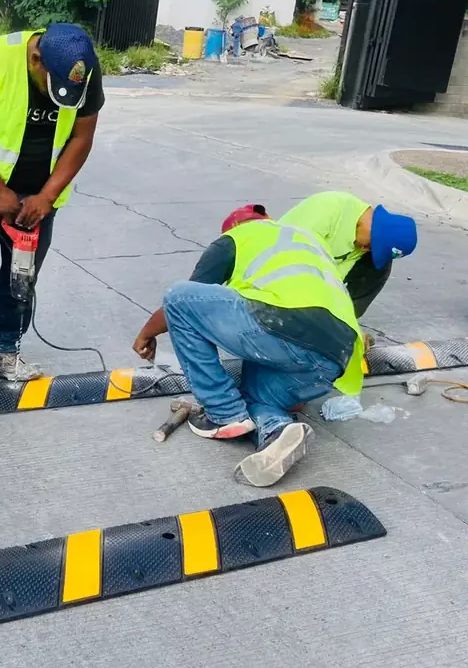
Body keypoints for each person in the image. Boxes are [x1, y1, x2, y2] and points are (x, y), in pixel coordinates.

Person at [133, 206, 365, 487]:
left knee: (178, 298)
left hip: (285, 323)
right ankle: (277, 432)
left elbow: (186, 303)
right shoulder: (309, 242)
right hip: (335, 356)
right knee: (257, 396)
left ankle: (224, 413)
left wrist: (146, 333)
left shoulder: (237, 237)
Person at [0, 24, 104, 400]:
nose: (63, 95)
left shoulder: (83, 70)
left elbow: (82, 138)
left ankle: (1, 353)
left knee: (21, 280)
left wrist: (46, 196)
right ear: (36, 59)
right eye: (54, 83)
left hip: (37, 202)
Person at [279, 191, 418, 318]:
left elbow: (332, 283)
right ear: (374, 227)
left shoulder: (360, 242)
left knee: (380, 266)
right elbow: (294, 263)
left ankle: (344, 323)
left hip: (307, 283)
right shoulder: (329, 209)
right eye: (371, 245)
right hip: (277, 273)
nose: (364, 249)